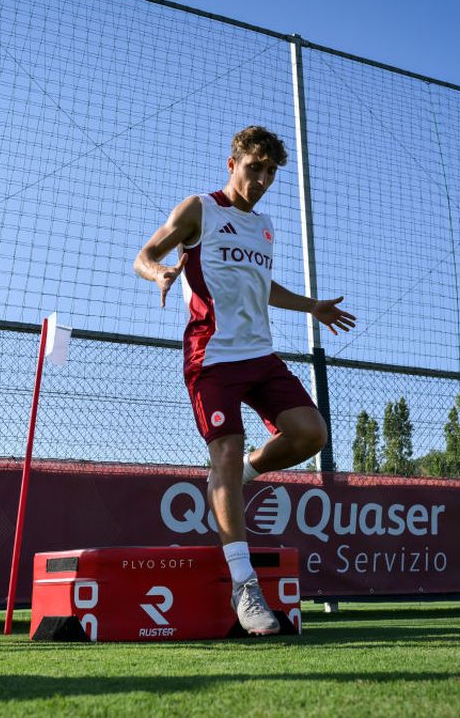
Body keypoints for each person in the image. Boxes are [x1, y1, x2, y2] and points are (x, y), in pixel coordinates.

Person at [133, 127, 355, 635]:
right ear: (232, 163)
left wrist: (312, 306)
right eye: (254, 168)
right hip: (211, 357)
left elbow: (261, 285)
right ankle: (244, 584)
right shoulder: (199, 209)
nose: (262, 180)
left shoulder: (265, 227)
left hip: (261, 356)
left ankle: (242, 474)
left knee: (311, 434)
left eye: (271, 172)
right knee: (226, 452)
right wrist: (159, 273)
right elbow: (144, 255)